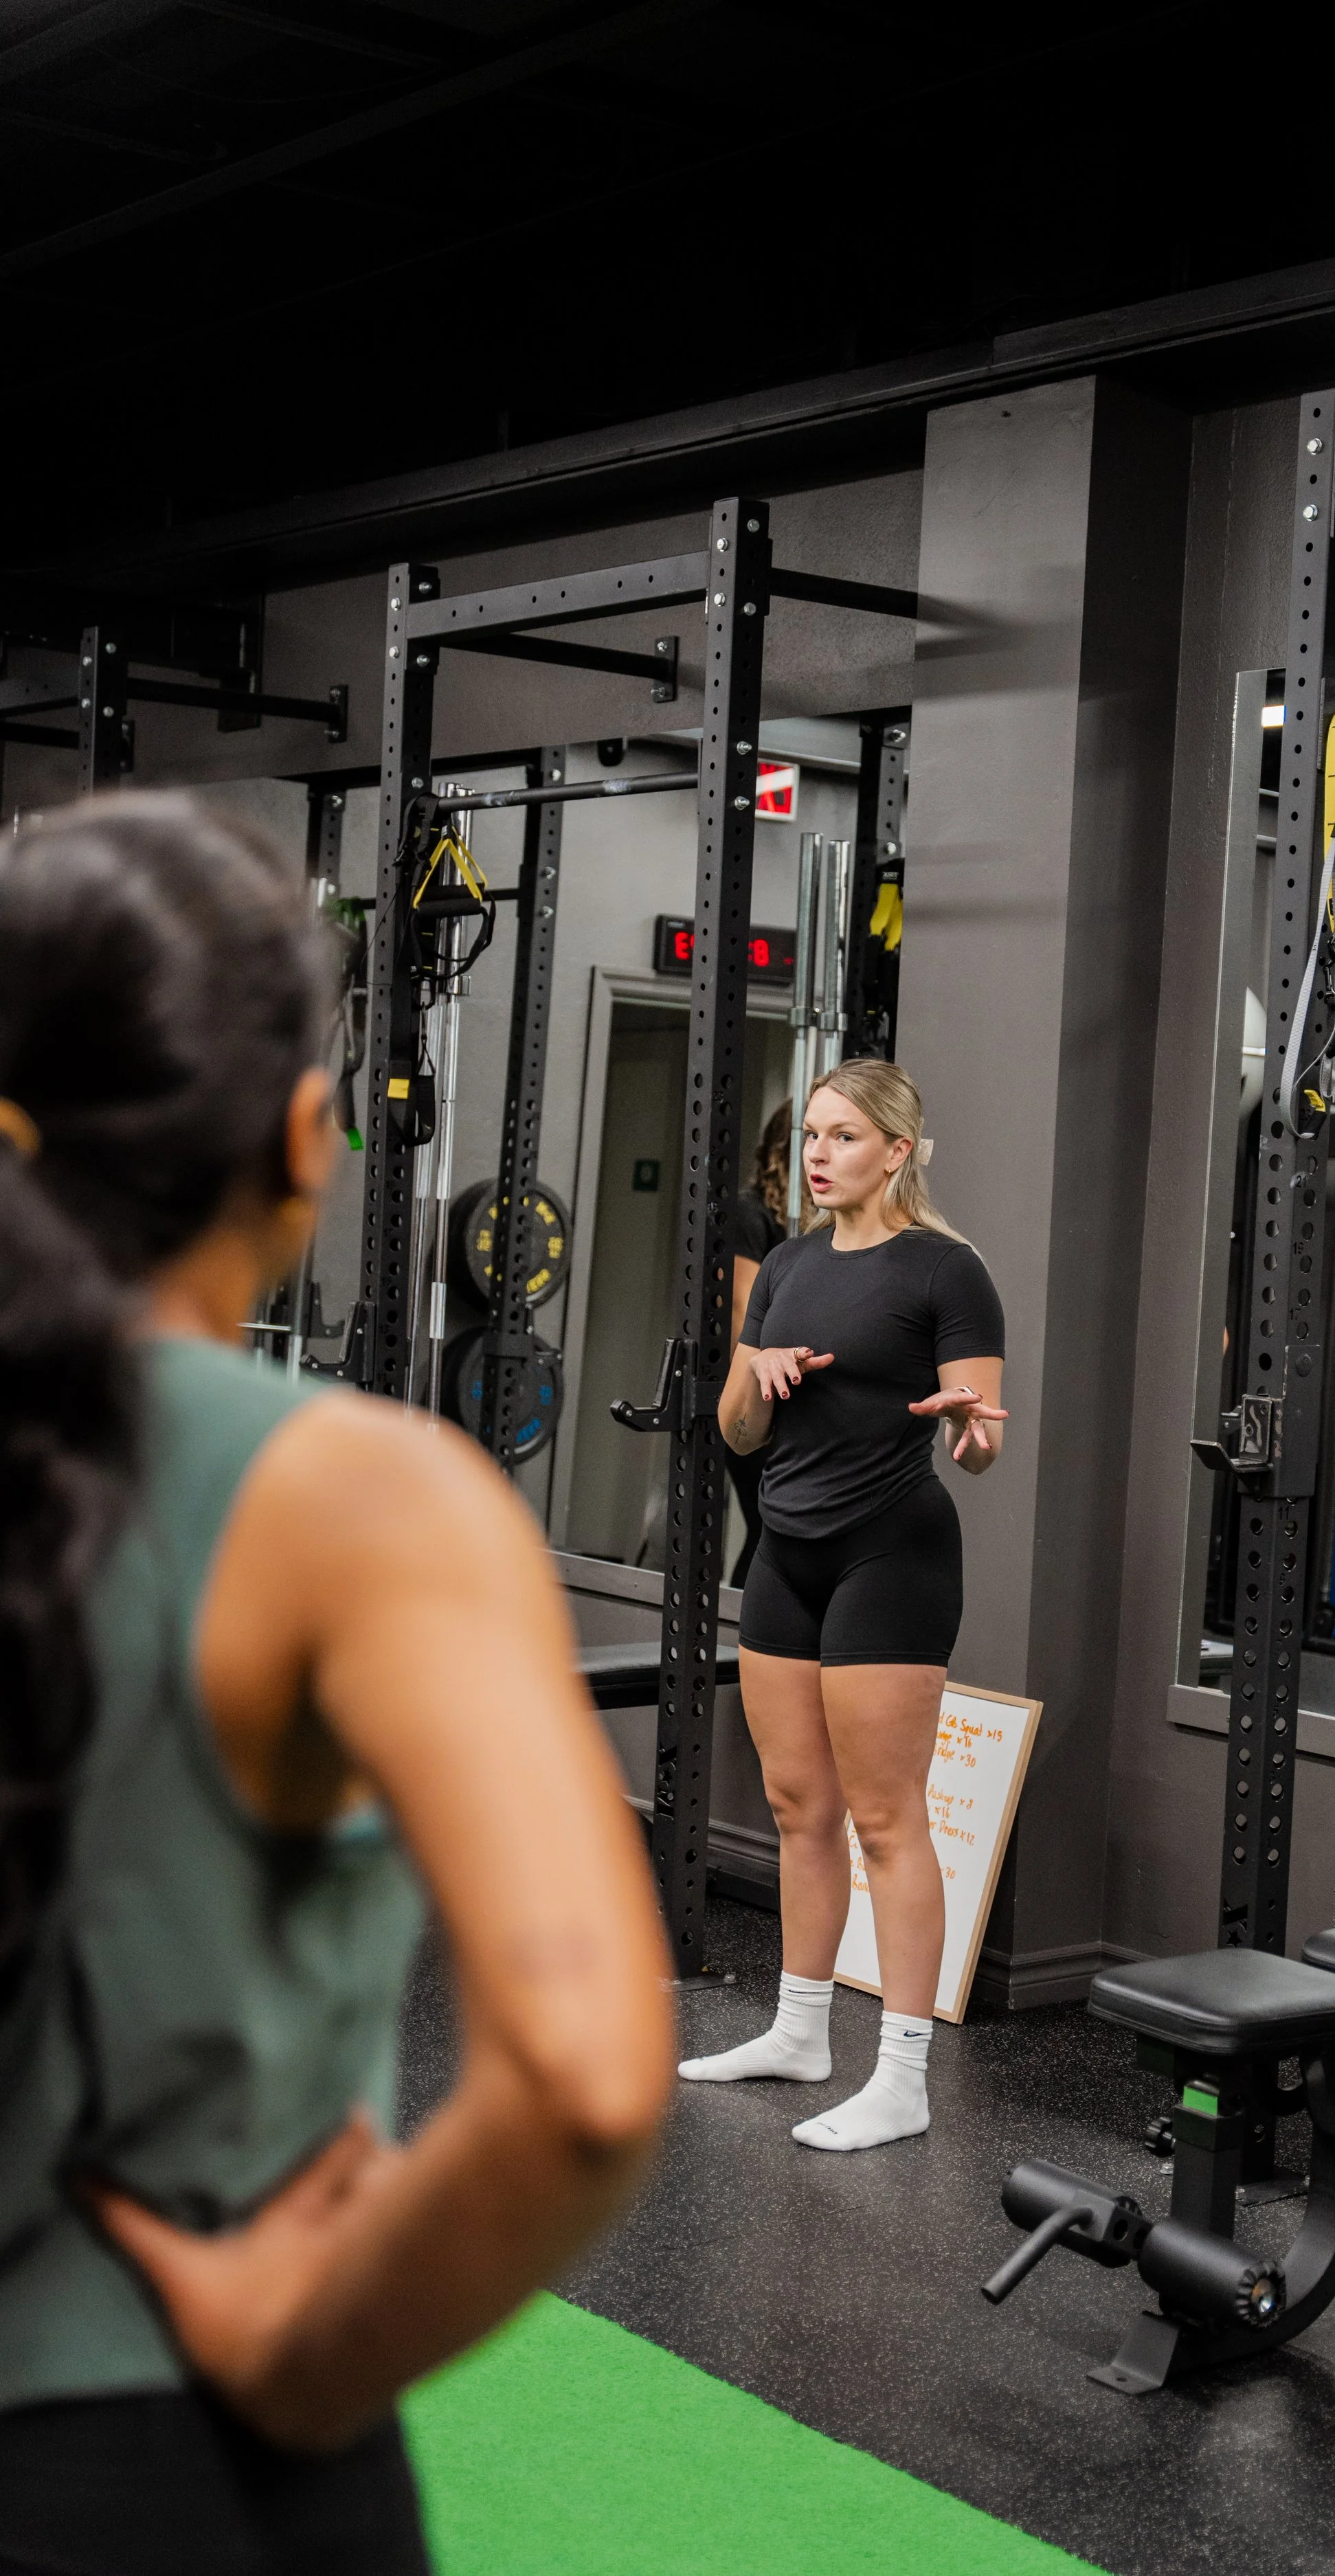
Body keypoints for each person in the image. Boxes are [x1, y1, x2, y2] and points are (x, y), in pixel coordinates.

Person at [0, 795, 674, 2575]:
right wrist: (305, 2359)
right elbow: (585, 2075)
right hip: (155, 2468)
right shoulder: (354, 1494)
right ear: (306, 1137)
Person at [680, 1060, 1005, 2152]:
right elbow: (735, 1434)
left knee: (884, 1816)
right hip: (785, 1546)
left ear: (898, 1151)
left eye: (845, 1137)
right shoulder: (784, 1264)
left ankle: (903, 2074)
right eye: (813, 1134)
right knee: (794, 1804)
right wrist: (752, 1369)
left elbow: (983, 1436)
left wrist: (970, 1425)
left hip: (891, 1554)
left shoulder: (947, 1273)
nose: (819, 1153)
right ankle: (800, 2031)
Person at [724, 1098, 792, 1587]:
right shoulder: (750, 1214)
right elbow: (742, 1308)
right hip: (755, 1394)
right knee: (769, 1526)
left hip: (794, 1395)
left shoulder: (813, 1222)